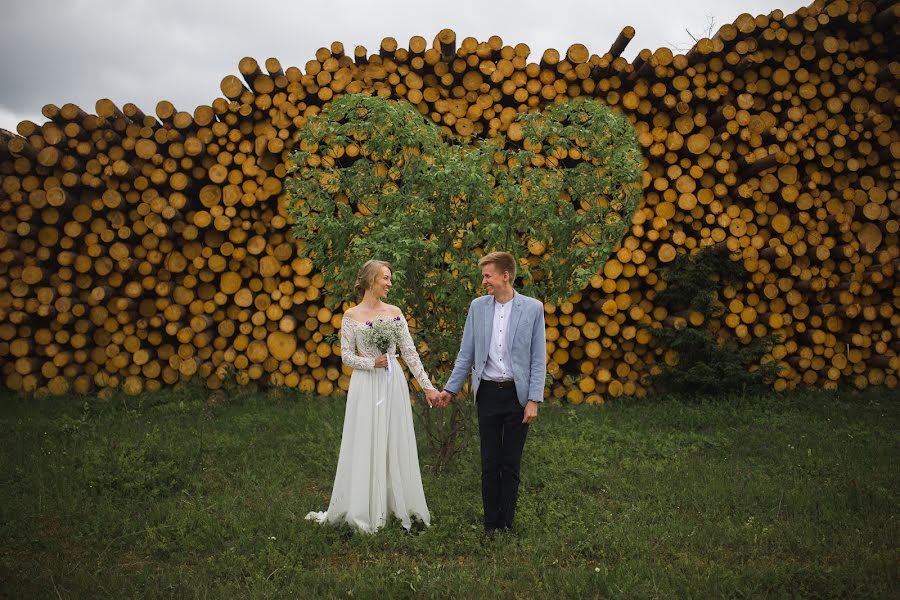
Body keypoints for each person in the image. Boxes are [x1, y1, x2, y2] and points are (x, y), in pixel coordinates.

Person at [306, 260, 441, 533]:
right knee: (366, 440)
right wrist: (371, 364)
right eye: (386, 278)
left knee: (394, 439)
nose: (390, 283)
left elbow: (410, 354)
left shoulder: (394, 313)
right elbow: (346, 356)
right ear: (370, 280)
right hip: (366, 386)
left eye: (390, 279)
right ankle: (364, 506)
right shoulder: (351, 315)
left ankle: (395, 504)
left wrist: (427, 386)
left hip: (392, 385)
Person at [439, 251, 546, 536]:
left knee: (510, 463)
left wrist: (533, 400)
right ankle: (490, 525)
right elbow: (466, 352)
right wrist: (450, 388)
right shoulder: (478, 307)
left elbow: (538, 358)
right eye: (484, 275)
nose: (484, 281)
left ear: (505, 276)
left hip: (517, 396)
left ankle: (507, 524)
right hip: (486, 394)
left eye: (488, 275)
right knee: (489, 462)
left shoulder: (533, 309)